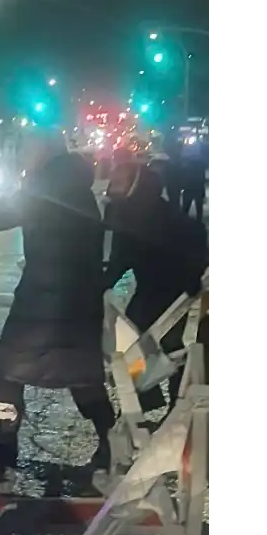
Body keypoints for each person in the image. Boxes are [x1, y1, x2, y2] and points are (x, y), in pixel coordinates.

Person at [0, 136, 115, 471]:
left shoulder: (43, 188)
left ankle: (6, 439)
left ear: (44, 154)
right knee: (81, 374)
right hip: (81, 300)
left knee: (9, 369)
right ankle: (111, 441)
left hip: (43, 300)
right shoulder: (79, 190)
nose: (23, 157)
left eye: (27, 150)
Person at [104, 161, 208, 412]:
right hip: (178, 293)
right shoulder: (160, 209)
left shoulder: (130, 216)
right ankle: (175, 404)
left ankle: (146, 401)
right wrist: (192, 279)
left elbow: (121, 261)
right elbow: (196, 242)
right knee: (170, 349)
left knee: (133, 349)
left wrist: (98, 284)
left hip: (152, 293)